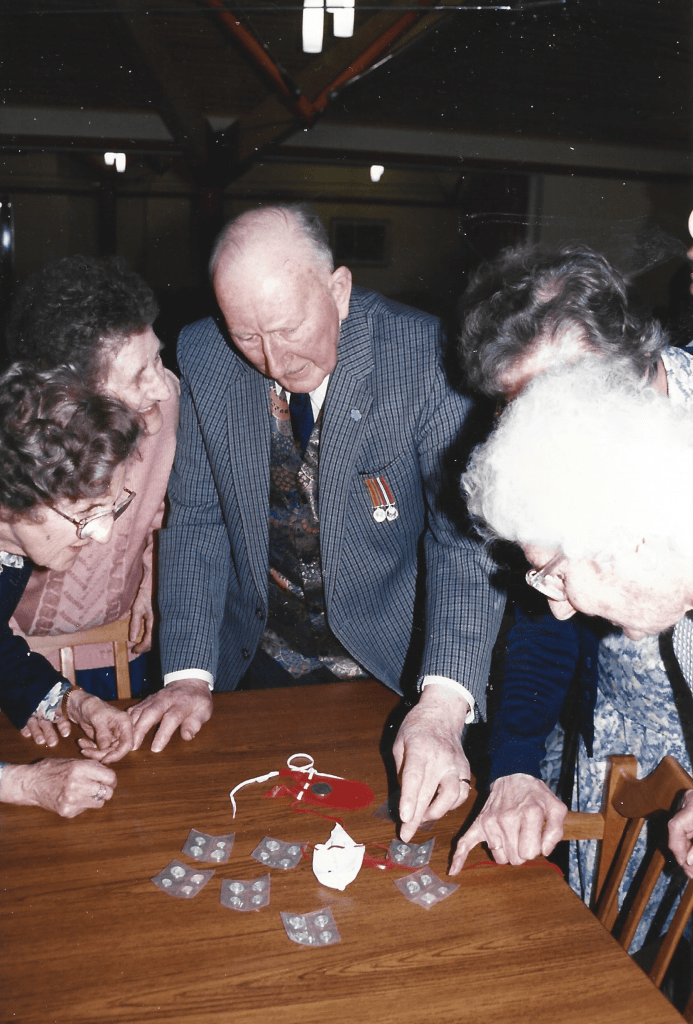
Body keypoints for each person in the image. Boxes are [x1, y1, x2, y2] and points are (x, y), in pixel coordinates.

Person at [129, 203, 505, 840]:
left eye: (287, 327)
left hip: (392, 669)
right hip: (255, 662)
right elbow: (196, 519)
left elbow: (462, 541)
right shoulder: (202, 354)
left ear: (339, 289)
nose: (274, 360)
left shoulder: (425, 360)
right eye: (247, 336)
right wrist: (188, 675)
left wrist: (441, 705)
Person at [452, 244, 693, 945]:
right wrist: (516, 768)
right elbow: (543, 621)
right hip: (627, 753)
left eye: (546, 401)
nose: (526, 426)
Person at [5, 254, 178, 725]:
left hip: (115, 643)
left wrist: (153, 580)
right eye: (137, 376)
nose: (162, 387)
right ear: (71, 395)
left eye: (157, 358)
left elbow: (171, 511)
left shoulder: (169, 406)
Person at [0, 364, 143, 816]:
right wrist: (25, 783)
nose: (101, 534)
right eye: (85, 513)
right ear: (11, 501)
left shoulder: (12, 548)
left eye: (112, 507)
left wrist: (72, 702)